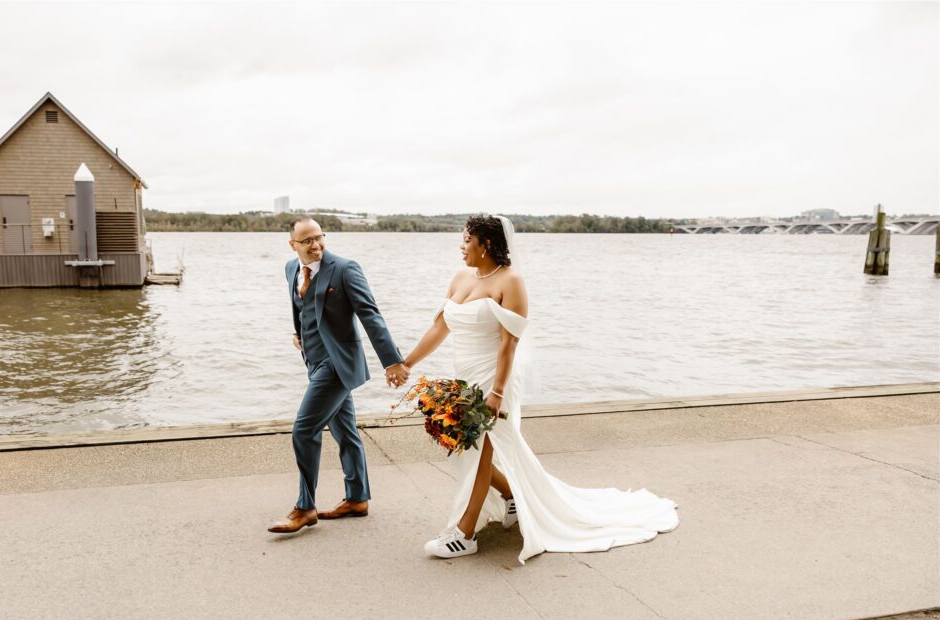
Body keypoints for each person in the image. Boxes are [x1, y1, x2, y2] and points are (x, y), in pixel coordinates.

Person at [402, 214, 679, 563]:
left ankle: (464, 533)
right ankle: (512, 498)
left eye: (467, 240)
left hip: (495, 377)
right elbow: (439, 329)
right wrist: (407, 363)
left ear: (485, 244)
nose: (461, 246)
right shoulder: (460, 277)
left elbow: (508, 344)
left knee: (481, 449)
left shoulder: (511, 280)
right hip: (464, 376)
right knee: (470, 449)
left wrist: (498, 392)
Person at [268, 217, 410, 533]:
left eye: (319, 237)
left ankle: (305, 508)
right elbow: (302, 309)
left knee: (304, 430)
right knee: (345, 430)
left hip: (337, 364)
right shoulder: (291, 269)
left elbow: (371, 315)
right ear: (293, 245)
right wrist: (300, 333)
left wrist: (393, 361)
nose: (316, 245)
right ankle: (357, 498)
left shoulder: (345, 269)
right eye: (307, 241)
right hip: (313, 361)